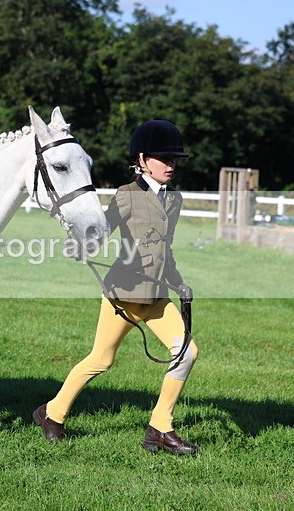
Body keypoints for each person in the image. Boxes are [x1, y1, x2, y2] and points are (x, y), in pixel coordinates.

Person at [33, 119, 200, 455]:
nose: (171, 165)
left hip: (156, 298)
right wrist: (81, 244)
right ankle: (51, 413)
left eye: (174, 159)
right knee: (100, 360)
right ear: (141, 160)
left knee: (187, 353)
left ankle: (160, 428)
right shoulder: (126, 196)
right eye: (163, 158)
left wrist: (178, 283)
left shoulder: (175, 199)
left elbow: (164, 250)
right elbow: (100, 231)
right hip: (122, 296)